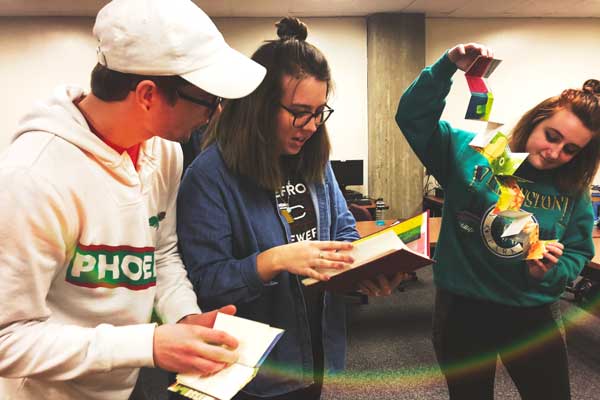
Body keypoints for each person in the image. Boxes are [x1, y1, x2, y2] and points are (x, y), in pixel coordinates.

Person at [0, 0, 266, 399]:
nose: (214, 114)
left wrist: (185, 316)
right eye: (210, 101)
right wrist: (149, 344)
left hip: (127, 380)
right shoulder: (33, 177)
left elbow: (160, 254)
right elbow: (8, 341)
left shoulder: (165, 153)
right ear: (147, 95)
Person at [177, 17, 404, 400]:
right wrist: (273, 260)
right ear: (258, 107)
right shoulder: (210, 175)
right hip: (251, 370)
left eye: (319, 112)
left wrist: (366, 269)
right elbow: (205, 284)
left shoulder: (314, 161)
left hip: (313, 350)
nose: (312, 126)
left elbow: (344, 233)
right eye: (300, 111)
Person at [396, 42, 600, 399]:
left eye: (571, 149)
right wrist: (446, 67)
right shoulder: (477, 151)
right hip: (463, 308)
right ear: (535, 120)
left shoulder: (573, 189)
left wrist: (553, 270)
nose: (555, 153)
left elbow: (579, 251)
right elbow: (412, 116)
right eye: (552, 136)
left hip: (531, 313)